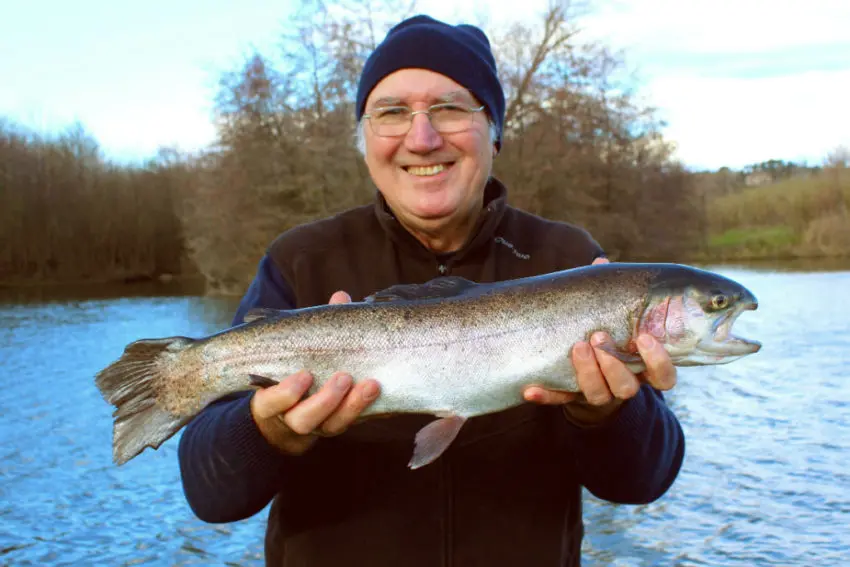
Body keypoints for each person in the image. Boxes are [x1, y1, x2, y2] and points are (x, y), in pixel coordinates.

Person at [178, 14, 684, 567]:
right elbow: (211, 496)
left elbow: (642, 484)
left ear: (493, 129)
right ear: (365, 139)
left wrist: (607, 414)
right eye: (392, 112)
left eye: (449, 108)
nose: (422, 138)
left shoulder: (571, 263)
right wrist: (269, 430)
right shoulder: (301, 259)